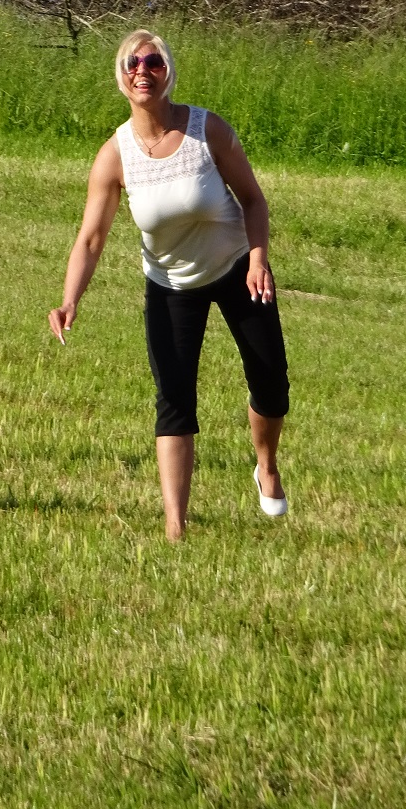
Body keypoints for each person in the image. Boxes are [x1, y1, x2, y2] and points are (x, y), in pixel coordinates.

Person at [48, 30, 289, 540]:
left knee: (271, 383)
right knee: (174, 398)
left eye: (153, 61)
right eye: (132, 63)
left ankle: (266, 464)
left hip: (237, 268)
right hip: (170, 285)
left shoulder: (207, 130)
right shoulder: (115, 155)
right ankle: (175, 527)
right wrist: (69, 299)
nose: (143, 70)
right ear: (121, 77)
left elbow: (253, 199)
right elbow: (91, 238)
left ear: (168, 71)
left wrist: (258, 260)